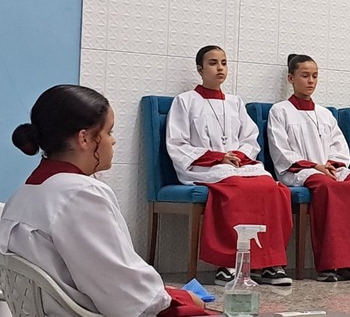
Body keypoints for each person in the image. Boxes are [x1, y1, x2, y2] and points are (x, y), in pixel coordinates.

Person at [0, 85, 208, 316]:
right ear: (85, 138)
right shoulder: (81, 194)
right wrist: (178, 300)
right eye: (109, 132)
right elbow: (130, 297)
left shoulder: (22, 195)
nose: (113, 141)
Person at [166, 45, 293, 286]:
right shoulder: (185, 101)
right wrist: (218, 157)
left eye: (224, 63)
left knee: (271, 186)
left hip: (236, 163)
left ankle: (269, 263)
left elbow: (250, 138)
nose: (220, 68)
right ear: (200, 69)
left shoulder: (235, 102)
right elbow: (178, 142)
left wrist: (237, 155)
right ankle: (229, 264)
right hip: (204, 166)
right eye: (213, 63)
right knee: (237, 187)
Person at [267, 54, 350, 282]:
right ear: (291, 78)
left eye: (315, 76)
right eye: (305, 76)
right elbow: (281, 150)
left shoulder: (325, 114)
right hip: (299, 171)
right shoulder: (280, 111)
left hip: (328, 168)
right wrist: (315, 166)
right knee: (326, 187)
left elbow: (338, 145)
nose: (311, 81)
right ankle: (330, 264)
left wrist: (331, 165)